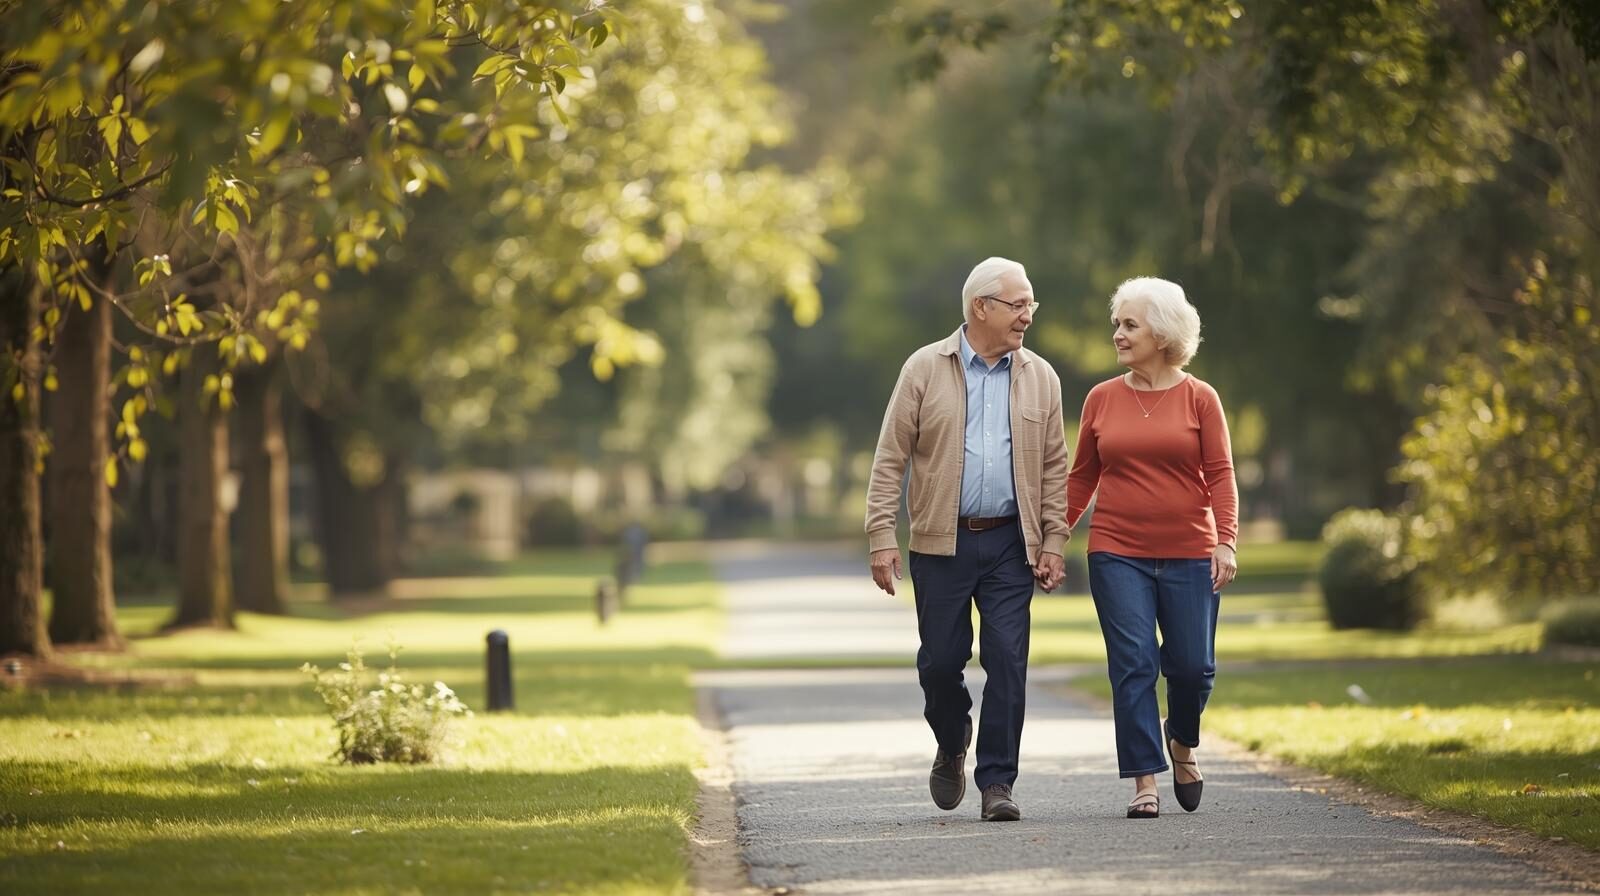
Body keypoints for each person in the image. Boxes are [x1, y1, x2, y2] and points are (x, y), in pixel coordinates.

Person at [865, 256, 1070, 822]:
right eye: (1018, 304)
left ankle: (997, 782)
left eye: (1031, 304)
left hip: (1010, 543)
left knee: (1007, 659)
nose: (1028, 315)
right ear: (981, 307)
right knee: (939, 663)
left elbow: (1056, 467)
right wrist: (882, 534)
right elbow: (890, 458)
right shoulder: (924, 368)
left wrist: (1054, 540)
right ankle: (953, 739)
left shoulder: (1042, 378)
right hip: (940, 543)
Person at [1064, 276, 1238, 819]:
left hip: (1190, 550)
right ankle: (1145, 780)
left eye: (1129, 324)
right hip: (1116, 551)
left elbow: (1221, 474)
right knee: (1134, 664)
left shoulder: (1200, 398)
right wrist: (1052, 539)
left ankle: (1181, 740)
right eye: (1117, 323)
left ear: (1161, 334)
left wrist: (1226, 541)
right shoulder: (1101, 399)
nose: (1117, 333)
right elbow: (1080, 479)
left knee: (1192, 668)